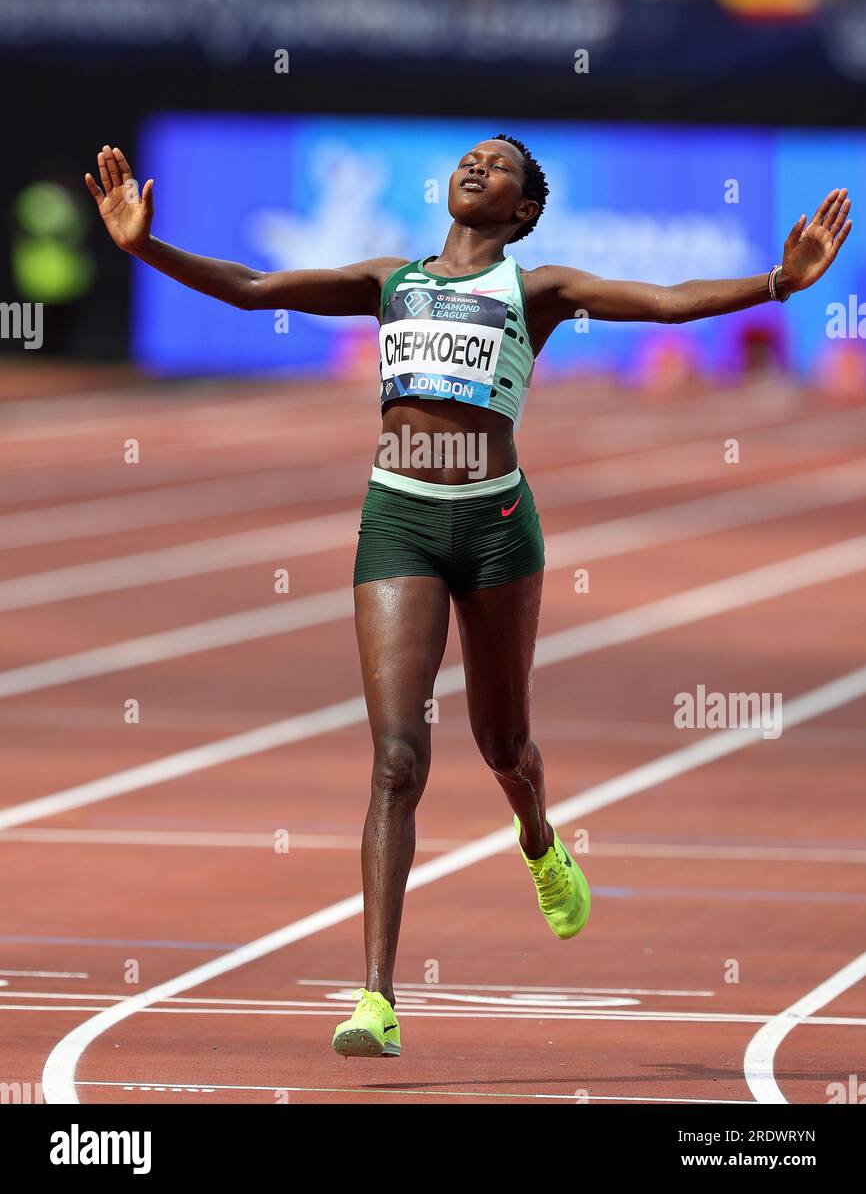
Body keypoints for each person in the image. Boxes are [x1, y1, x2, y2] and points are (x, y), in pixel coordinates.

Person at [85, 138, 852, 1059]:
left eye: (502, 167)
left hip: (494, 530)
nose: (479, 166)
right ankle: (377, 997)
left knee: (503, 742)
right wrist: (143, 249)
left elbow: (666, 305)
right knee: (398, 758)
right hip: (399, 523)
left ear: (524, 211)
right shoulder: (389, 280)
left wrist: (779, 282)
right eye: (471, 158)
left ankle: (538, 836)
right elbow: (255, 287)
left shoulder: (538, 291)